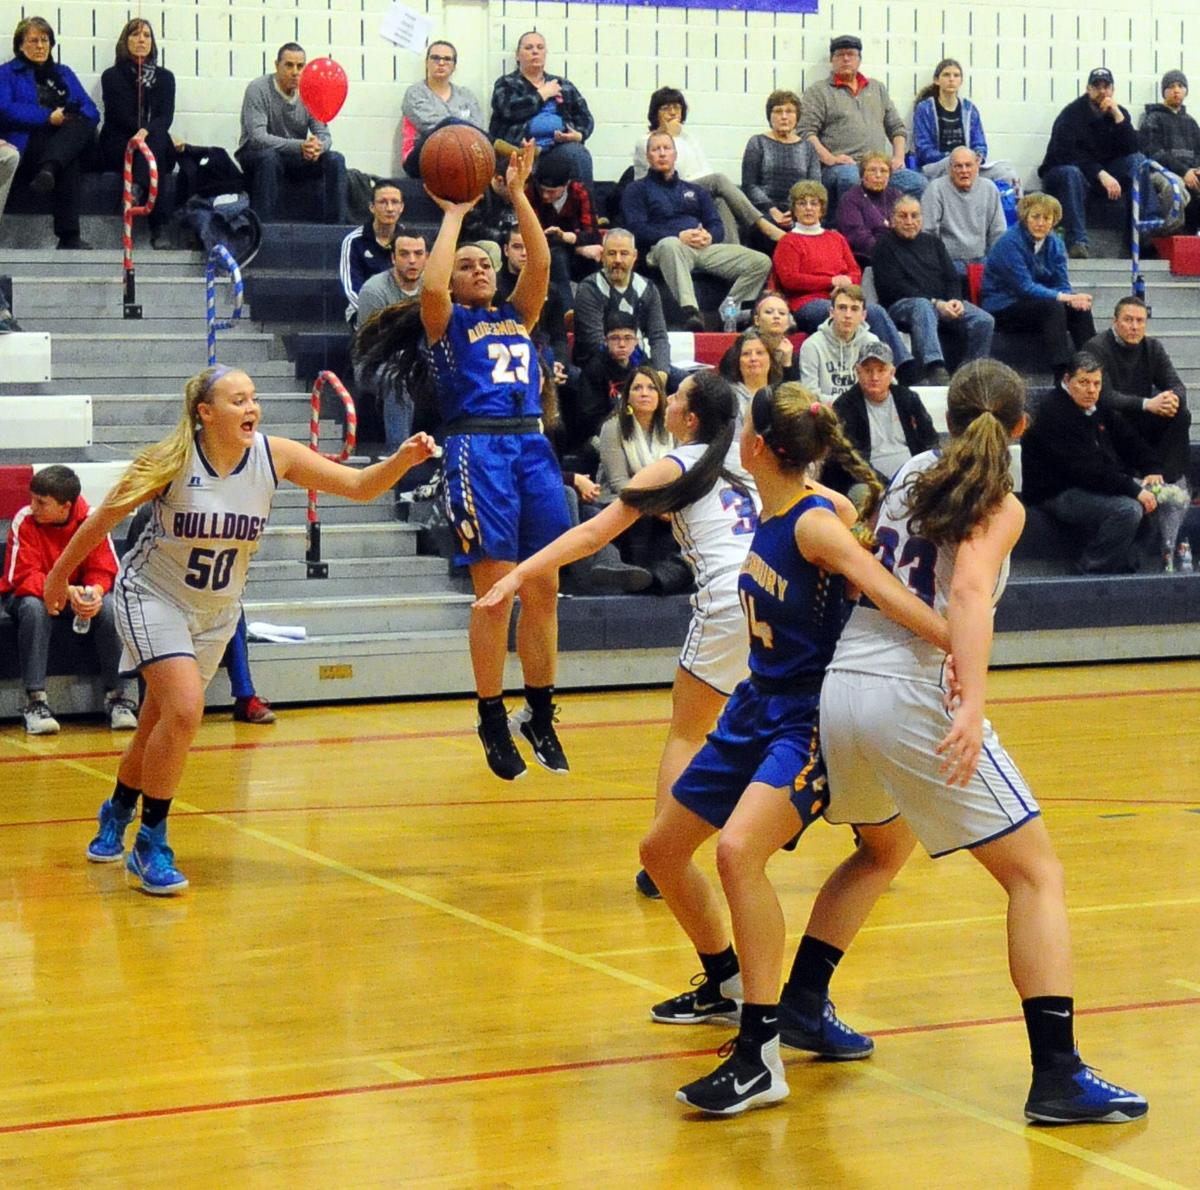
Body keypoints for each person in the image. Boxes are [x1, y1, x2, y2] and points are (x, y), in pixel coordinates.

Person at [789, 358, 1147, 1126]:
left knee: (882, 850)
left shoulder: (908, 472)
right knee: (1036, 875)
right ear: (1020, 427)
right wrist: (973, 701)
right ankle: (1057, 1076)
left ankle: (802, 1002)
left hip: (845, 687)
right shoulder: (999, 500)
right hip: (912, 693)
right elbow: (970, 589)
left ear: (944, 417)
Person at [641, 383, 950, 1117]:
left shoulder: (817, 522)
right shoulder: (773, 507)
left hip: (806, 718)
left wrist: (958, 648)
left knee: (737, 852)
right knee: (661, 851)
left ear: (754, 447)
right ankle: (728, 982)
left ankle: (760, 1054)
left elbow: (887, 590)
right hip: (756, 702)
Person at [40, 366, 435, 894]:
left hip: (217, 611)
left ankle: (117, 809)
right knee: (185, 710)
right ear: (205, 413)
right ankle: (151, 842)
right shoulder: (169, 461)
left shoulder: (276, 455)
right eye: (237, 400)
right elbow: (102, 518)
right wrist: (58, 577)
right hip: (153, 596)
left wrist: (402, 459)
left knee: (160, 720)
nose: (252, 409)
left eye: (254, 398)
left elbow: (360, 487)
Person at [476, 370, 759, 900]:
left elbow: (590, 534)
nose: (667, 401)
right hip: (776, 595)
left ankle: (664, 863)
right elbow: (834, 505)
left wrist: (517, 575)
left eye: (676, 396)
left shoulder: (675, 464)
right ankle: (864, 820)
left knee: (688, 733)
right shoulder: (747, 460)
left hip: (726, 603)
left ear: (689, 418)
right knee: (791, 723)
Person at [421, 141, 574, 781]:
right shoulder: (445, 323)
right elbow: (431, 283)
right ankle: (490, 714)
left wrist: (516, 195)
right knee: (495, 594)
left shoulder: (518, 315)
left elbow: (540, 260)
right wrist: (454, 214)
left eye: (485, 262)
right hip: (477, 450)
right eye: (468, 265)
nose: (479, 269)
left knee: (545, 587)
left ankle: (539, 710)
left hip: (532, 447)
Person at [1, 465, 138, 734]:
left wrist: (94, 593)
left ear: (65, 506)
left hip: (76, 594)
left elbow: (104, 569)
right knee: (33, 608)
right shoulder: (24, 520)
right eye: (32, 499)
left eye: (41, 502)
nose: (33, 507)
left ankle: (117, 698)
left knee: (109, 607)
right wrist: (66, 590)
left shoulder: (92, 519)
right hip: (32, 594)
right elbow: (22, 576)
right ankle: (35, 701)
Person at [1021, 351, 1161, 574]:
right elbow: (1085, 470)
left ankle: (1126, 568)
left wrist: (1152, 468)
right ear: (1067, 380)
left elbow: (1128, 439)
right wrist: (1133, 489)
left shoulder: (1097, 405)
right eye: (1084, 382)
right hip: (1055, 491)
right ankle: (1090, 571)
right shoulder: (1053, 412)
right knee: (1128, 510)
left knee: (1157, 498)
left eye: (1097, 383)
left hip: (1087, 482)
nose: (1091, 390)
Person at [622, 131, 772, 332]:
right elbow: (637, 229)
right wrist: (678, 235)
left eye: (667, 148)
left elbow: (715, 223)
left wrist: (709, 236)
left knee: (760, 262)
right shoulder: (636, 190)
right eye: (656, 149)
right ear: (648, 157)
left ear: (675, 155)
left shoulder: (695, 190)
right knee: (670, 244)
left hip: (701, 248)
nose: (662, 153)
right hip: (661, 249)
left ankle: (726, 314)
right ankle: (690, 312)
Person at [769, 179, 913, 370]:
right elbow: (790, 280)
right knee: (840, 312)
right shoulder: (789, 241)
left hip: (843, 298)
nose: (809, 208)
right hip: (807, 303)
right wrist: (831, 281)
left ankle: (903, 367)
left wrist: (845, 284)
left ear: (822, 208)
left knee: (875, 312)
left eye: (814, 203)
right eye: (802, 203)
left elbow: (854, 271)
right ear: (794, 209)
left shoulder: (836, 238)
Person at [633, 87, 785, 249]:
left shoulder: (688, 137)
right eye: (666, 108)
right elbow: (672, 171)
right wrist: (669, 135)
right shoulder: (647, 141)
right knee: (719, 180)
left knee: (721, 200)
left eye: (676, 108)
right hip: (663, 189)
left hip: (692, 191)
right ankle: (763, 225)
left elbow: (705, 170)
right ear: (655, 113)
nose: (672, 113)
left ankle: (733, 251)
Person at [796, 34, 926, 222]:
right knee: (850, 179)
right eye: (840, 55)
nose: (846, 59)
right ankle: (851, 231)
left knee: (918, 183)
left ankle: (897, 231)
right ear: (832, 60)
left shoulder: (877, 88)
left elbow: (897, 128)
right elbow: (806, 132)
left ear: (859, 59)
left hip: (878, 166)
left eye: (851, 54)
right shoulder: (819, 91)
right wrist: (830, 158)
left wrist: (898, 158)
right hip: (842, 167)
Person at [870, 195, 995, 382]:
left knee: (984, 320)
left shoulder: (933, 242)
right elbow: (893, 287)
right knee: (922, 305)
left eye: (914, 216)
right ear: (893, 219)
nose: (909, 221)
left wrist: (955, 300)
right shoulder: (883, 246)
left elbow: (952, 277)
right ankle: (935, 367)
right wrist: (936, 303)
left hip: (942, 303)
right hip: (902, 306)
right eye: (903, 216)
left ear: (921, 219)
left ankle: (971, 372)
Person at [0, 16, 99, 249]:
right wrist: (47, 117)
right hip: (31, 143)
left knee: (81, 125)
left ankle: (50, 168)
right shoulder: (7, 73)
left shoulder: (63, 73)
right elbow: (5, 109)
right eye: (33, 41)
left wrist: (69, 115)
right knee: (68, 158)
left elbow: (91, 110)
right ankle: (68, 237)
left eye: (45, 40)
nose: (40, 46)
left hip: (67, 137)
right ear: (20, 45)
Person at [1038, 67, 1150, 260]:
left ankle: (1141, 233)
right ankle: (1077, 242)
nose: (1102, 91)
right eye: (1097, 86)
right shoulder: (1071, 114)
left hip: (1099, 174)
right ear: (1088, 89)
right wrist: (1101, 173)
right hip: (1064, 173)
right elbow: (1067, 154)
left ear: (1113, 90)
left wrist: (1118, 117)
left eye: (1106, 87)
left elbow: (1133, 148)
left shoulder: (1119, 113)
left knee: (1139, 161)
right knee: (1071, 172)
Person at [1084, 296, 1191, 493]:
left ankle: (1167, 482)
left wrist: (1172, 399)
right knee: (1113, 414)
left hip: (1142, 416)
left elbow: (1177, 385)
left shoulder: (1153, 347)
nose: (1134, 327)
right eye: (1128, 320)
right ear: (1115, 321)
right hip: (1110, 421)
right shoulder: (1096, 347)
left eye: (1140, 321)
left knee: (1181, 413)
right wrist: (1147, 404)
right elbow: (1104, 396)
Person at [981, 193, 1095, 375]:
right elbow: (1024, 288)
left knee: (1080, 309)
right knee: (1053, 307)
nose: (1041, 223)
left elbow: (1062, 283)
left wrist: (1073, 299)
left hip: (1038, 305)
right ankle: (1061, 373)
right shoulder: (1009, 242)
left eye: (1046, 218)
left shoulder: (1056, 243)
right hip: (1004, 307)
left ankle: (1091, 368)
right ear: (1025, 217)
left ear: (1054, 221)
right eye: (1035, 217)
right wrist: (1065, 297)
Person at [236, 42, 347, 224]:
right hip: (256, 153)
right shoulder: (258, 89)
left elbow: (324, 134)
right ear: (276, 65)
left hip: (295, 154)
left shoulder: (309, 90)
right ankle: (265, 229)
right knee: (269, 158)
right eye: (289, 65)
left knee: (336, 159)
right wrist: (300, 146)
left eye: (300, 66)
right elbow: (258, 138)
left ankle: (336, 228)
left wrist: (317, 147)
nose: (295, 72)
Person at [822, 341, 939, 503]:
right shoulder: (844, 406)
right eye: (868, 370)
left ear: (892, 373)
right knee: (864, 494)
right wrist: (886, 485)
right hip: (867, 480)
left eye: (881, 370)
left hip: (913, 474)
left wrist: (924, 473)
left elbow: (930, 440)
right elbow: (851, 457)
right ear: (857, 372)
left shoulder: (908, 398)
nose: (874, 377)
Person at [98, 18, 177, 248]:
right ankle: (159, 227)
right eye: (135, 35)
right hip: (121, 142)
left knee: (157, 141)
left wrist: (146, 131)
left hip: (152, 140)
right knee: (155, 149)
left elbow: (165, 117)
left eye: (146, 35)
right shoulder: (111, 76)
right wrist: (142, 132)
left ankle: (139, 187)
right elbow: (119, 116)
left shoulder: (165, 78)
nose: (141, 40)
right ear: (125, 41)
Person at [354, 227, 429, 453]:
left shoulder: (432, 288)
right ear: (393, 258)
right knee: (398, 378)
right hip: (374, 363)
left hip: (421, 358)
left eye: (418, 253)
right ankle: (399, 457)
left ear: (427, 257)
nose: (412, 260)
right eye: (404, 254)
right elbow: (371, 347)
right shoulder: (374, 290)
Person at [489, 31, 594, 183]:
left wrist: (579, 135)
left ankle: (585, 200)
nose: (535, 52)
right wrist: (542, 94)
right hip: (518, 151)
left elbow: (585, 117)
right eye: (528, 48)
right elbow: (508, 110)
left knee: (578, 154)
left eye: (540, 47)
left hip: (555, 150)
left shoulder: (562, 84)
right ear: (517, 55)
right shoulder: (506, 83)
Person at [572, 228, 672, 376]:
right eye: (612, 253)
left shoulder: (648, 288)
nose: (618, 260)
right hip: (599, 369)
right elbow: (594, 343)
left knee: (684, 381)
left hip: (640, 366)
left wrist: (661, 372)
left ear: (634, 256)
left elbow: (658, 336)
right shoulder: (589, 289)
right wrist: (634, 373)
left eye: (624, 253)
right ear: (602, 256)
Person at [911, 57, 1020, 185]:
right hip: (939, 166)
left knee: (1007, 173)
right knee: (952, 165)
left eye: (956, 75)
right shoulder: (925, 109)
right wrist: (954, 158)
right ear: (937, 80)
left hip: (967, 166)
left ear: (961, 81)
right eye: (946, 75)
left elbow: (980, 144)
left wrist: (978, 157)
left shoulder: (969, 109)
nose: (951, 79)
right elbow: (923, 149)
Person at [525, 151, 602, 311]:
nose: (545, 196)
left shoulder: (579, 191)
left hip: (575, 246)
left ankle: (595, 310)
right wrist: (576, 246)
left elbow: (593, 233)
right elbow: (531, 233)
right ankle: (567, 313)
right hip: (545, 251)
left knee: (596, 259)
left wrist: (568, 238)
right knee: (558, 257)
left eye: (552, 192)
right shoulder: (531, 192)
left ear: (566, 185)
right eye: (542, 190)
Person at [401, 40, 486, 176]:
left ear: (454, 66)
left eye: (447, 59)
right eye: (435, 58)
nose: (441, 63)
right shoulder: (415, 93)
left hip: (462, 157)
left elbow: (478, 130)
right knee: (448, 123)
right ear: (426, 63)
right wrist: (460, 130)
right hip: (423, 155)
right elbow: (433, 127)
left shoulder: (466, 95)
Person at [919, 145, 1009, 274]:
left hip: (982, 261)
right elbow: (928, 232)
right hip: (949, 262)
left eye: (968, 165)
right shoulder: (935, 189)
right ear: (950, 169)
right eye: (958, 166)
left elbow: (998, 231)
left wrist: (994, 265)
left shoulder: (989, 188)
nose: (964, 170)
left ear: (977, 166)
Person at [741, 89, 821, 232]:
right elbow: (749, 185)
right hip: (763, 213)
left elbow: (814, 187)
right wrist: (772, 210)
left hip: (799, 213)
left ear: (797, 117)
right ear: (769, 116)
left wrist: (795, 212)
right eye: (778, 111)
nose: (784, 116)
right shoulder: (757, 142)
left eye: (789, 111)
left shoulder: (808, 147)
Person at [595, 365, 674, 503]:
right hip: (620, 499)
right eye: (637, 388)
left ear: (660, 395)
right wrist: (654, 503)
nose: (644, 393)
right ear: (627, 397)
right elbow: (619, 482)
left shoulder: (672, 425)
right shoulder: (612, 427)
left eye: (652, 388)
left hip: (664, 498)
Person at [1138, 70, 1200, 233]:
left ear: (1186, 91)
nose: (1176, 90)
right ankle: (1169, 232)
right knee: (1175, 185)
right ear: (1164, 92)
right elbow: (1154, 153)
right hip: (1160, 172)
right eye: (1171, 86)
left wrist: (1196, 170)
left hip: (1189, 173)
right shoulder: (1152, 118)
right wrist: (1184, 171)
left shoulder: (1192, 123)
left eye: (1180, 86)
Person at [797, 284, 881, 402]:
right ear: (831, 312)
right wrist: (848, 404)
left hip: (863, 411)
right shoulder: (812, 345)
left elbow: (884, 387)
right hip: (826, 411)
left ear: (863, 315)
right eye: (842, 308)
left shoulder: (871, 342)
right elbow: (809, 395)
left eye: (854, 309)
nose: (848, 315)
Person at [340, 179, 405, 323]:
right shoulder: (354, 241)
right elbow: (351, 288)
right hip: (365, 311)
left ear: (401, 207)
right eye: (383, 202)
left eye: (395, 202)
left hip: (402, 312)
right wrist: (378, 314)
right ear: (371, 207)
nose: (389, 208)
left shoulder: (410, 240)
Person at [835, 152, 899, 263]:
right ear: (862, 174)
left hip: (896, 255)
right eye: (872, 170)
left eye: (883, 171)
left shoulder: (896, 196)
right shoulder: (850, 199)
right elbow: (857, 237)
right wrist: (886, 253)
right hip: (865, 258)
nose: (878, 175)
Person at [750, 294, 801, 382]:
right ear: (757, 320)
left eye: (782, 313)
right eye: (769, 312)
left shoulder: (793, 356)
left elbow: (793, 389)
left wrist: (787, 363)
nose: (776, 316)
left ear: (788, 323)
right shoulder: (746, 349)